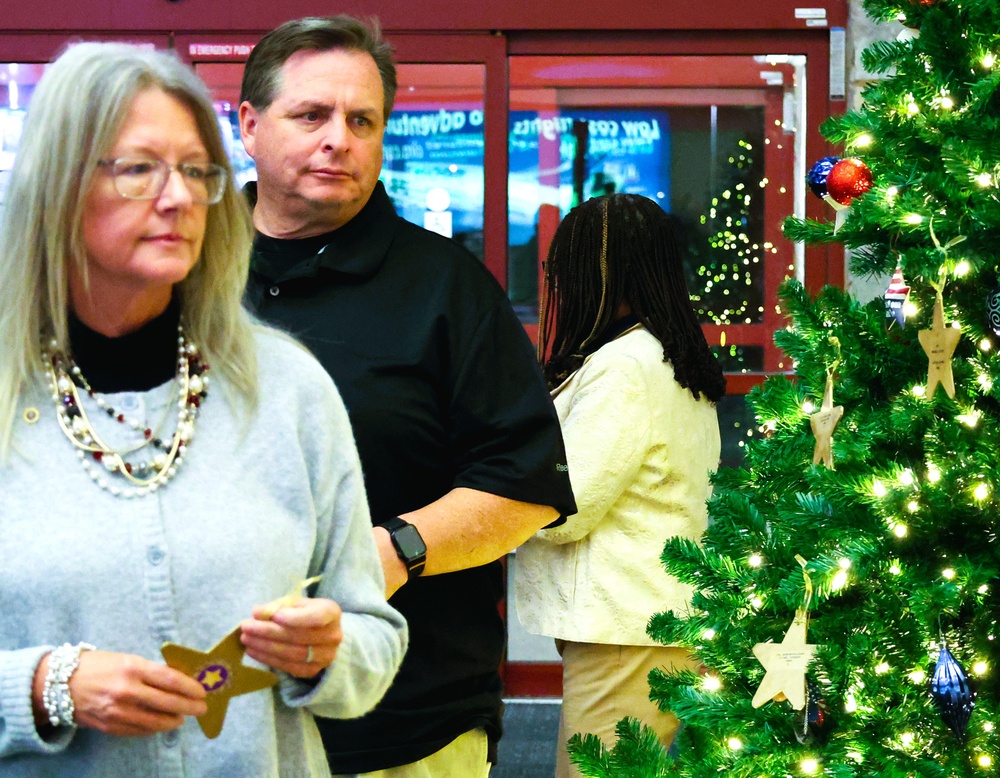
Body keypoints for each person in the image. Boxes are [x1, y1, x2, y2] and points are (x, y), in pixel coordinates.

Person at [0, 42, 407, 776]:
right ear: (56, 184)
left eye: (195, 170)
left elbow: (373, 636)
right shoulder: (9, 395)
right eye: (137, 168)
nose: (180, 196)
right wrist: (39, 687)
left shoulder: (286, 388)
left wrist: (328, 651)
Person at [237, 15, 577, 777]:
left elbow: (524, 486)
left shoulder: (446, 290)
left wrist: (391, 553)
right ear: (250, 124)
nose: (339, 139)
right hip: (212, 719)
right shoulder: (181, 275)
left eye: (363, 120)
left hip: (405, 726)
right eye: (312, 115)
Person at [514, 193, 726, 778]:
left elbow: (568, 505)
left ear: (601, 273)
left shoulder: (624, 366)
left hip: (626, 632)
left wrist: (488, 496)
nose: (561, 287)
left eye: (567, 271)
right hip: (650, 621)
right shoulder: (667, 353)